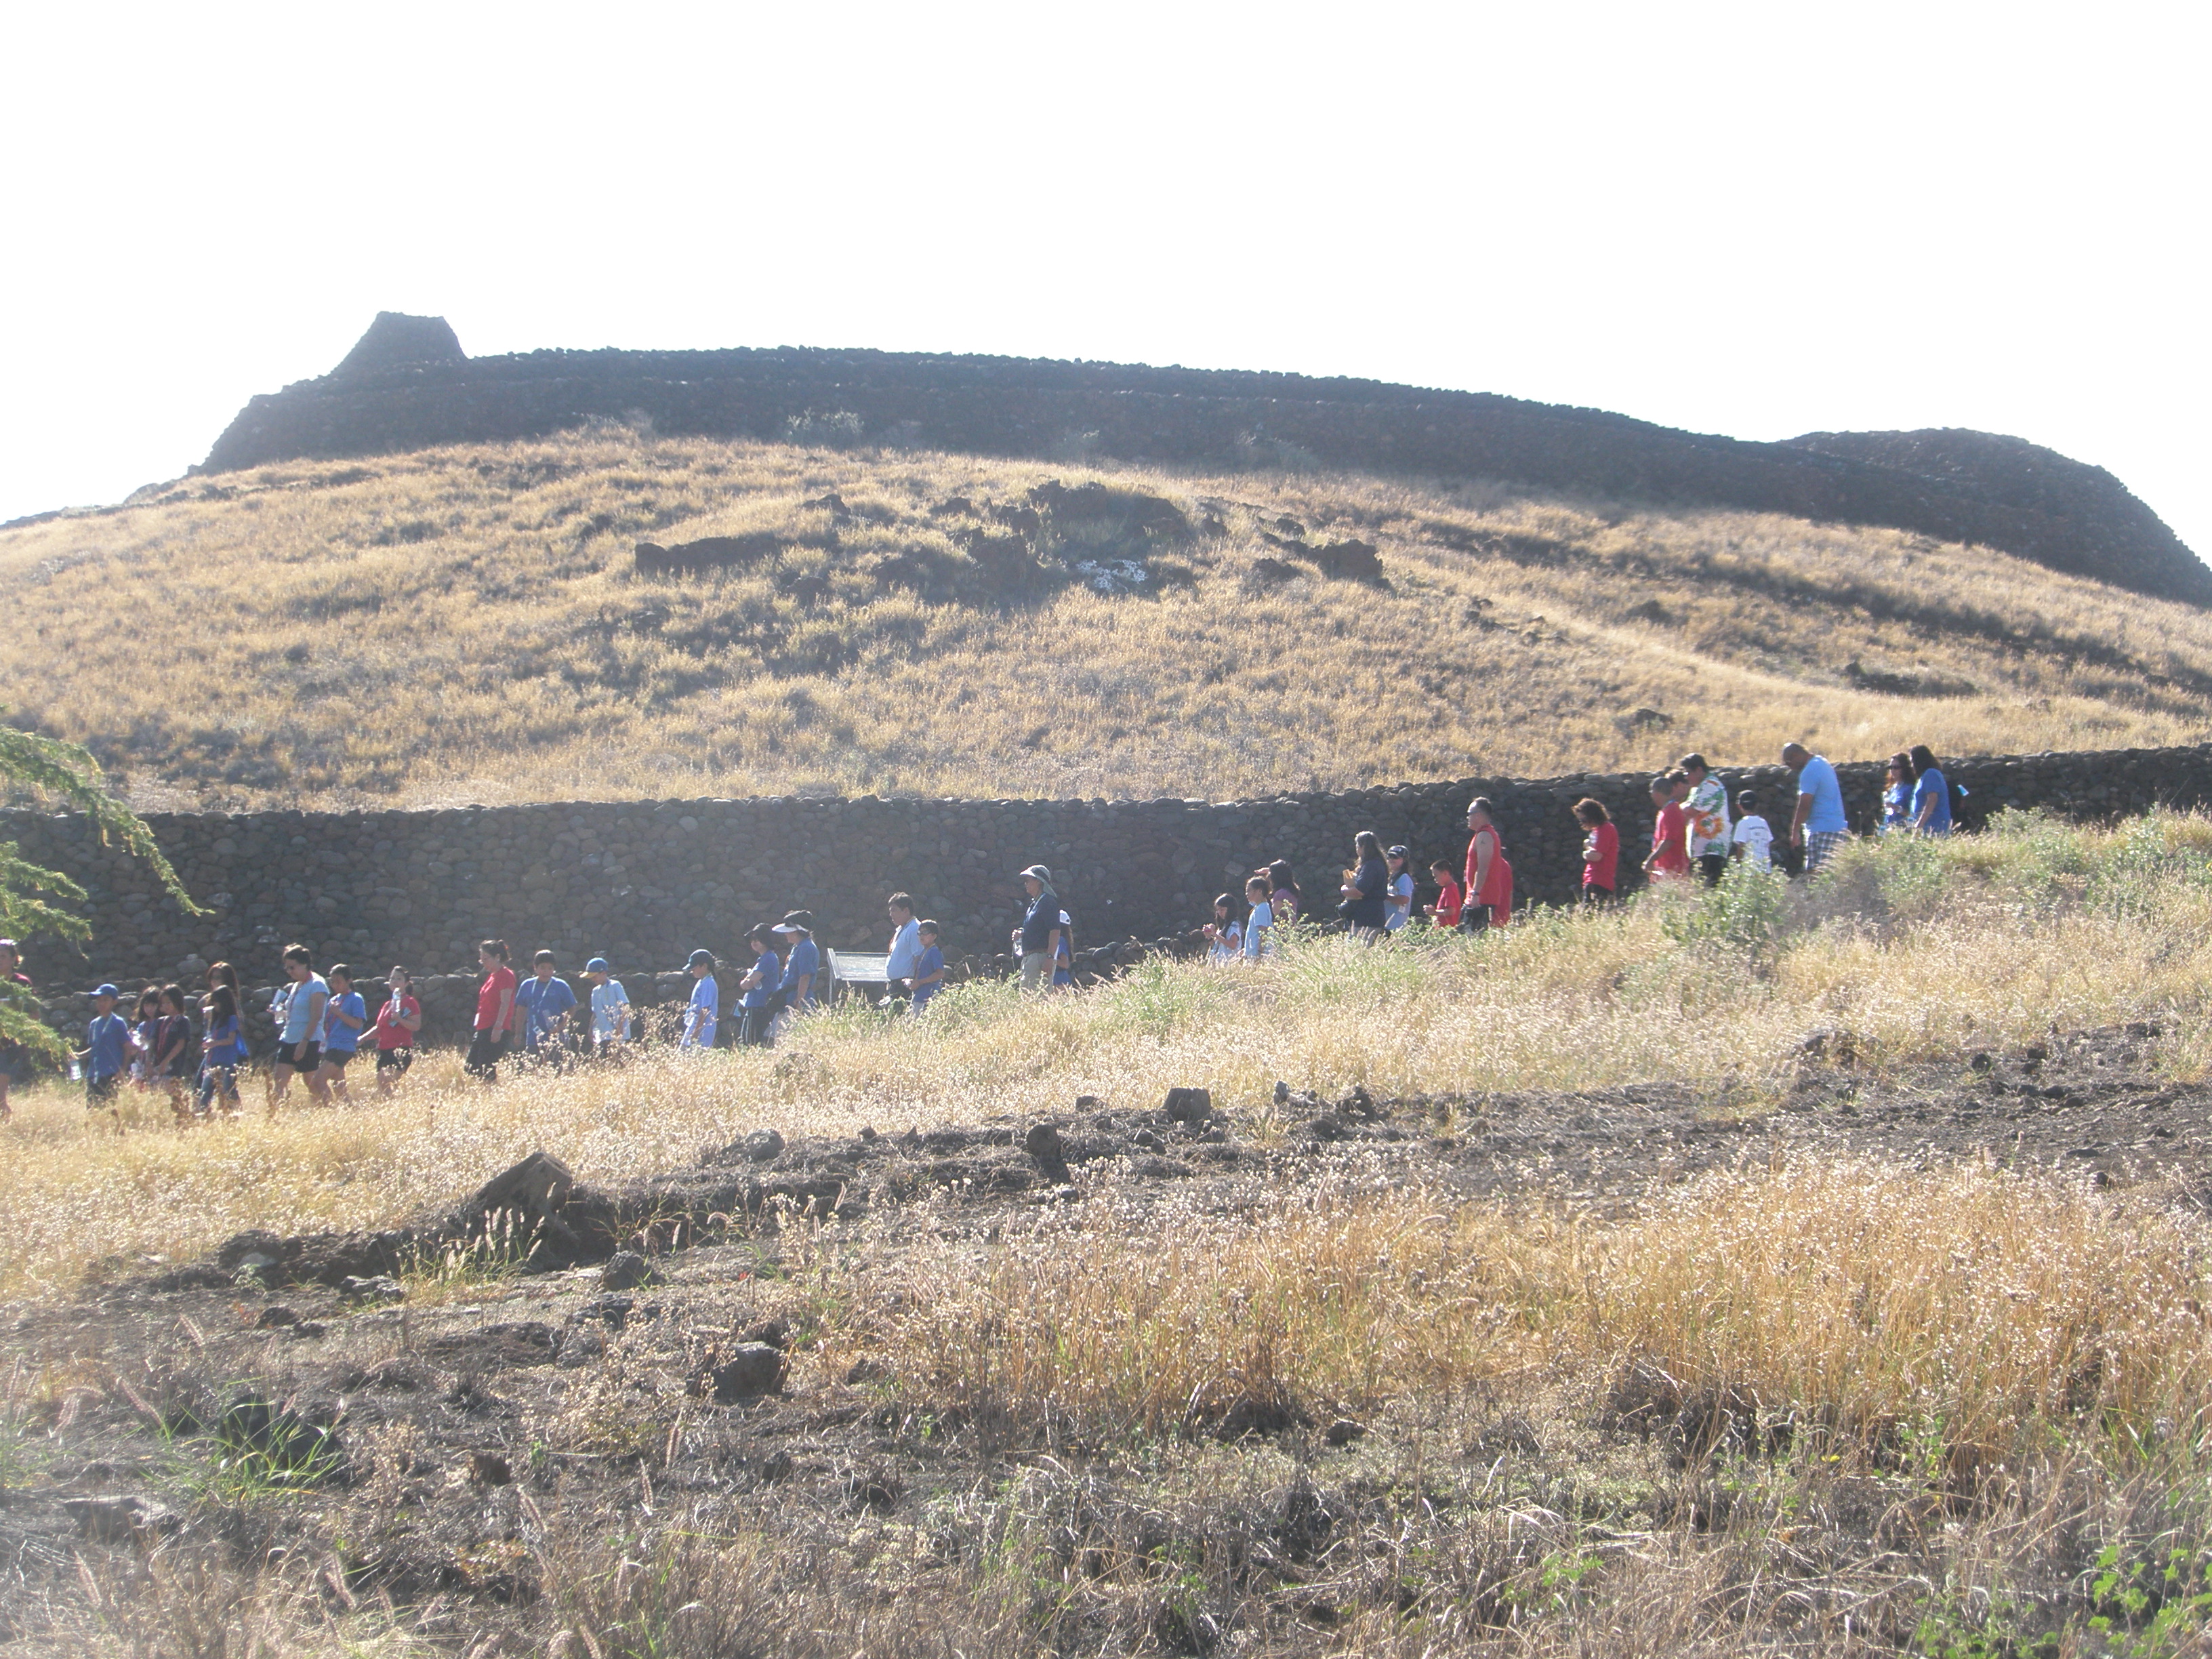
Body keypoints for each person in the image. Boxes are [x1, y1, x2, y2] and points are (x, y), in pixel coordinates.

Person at [271, 945, 330, 1108]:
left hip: (309, 1039)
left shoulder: (317, 985)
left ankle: (327, 1110)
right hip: (289, 1037)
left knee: (311, 1081)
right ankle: (275, 1115)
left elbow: (316, 1016)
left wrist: (303, 1043)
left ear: (304, 964)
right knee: (279, 1079)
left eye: (292, 967)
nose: (289, 971)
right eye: (287, 968)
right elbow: (295, 1013)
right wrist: (279, 1013)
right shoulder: (297, 986)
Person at [1782, 743, 1849, 874]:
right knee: (1832, 876)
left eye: (1789, 763)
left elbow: (1804, 805)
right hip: (1836, 828)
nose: (1791, 768)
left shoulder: (1810, 771)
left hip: (1822, 830)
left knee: (1818, 877)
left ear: (1796, 756)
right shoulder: (1822, 762)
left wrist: (1795, 832)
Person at [515, 950, 579, 1069]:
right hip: (533, 1037)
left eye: (550, 968)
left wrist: (560, 1026)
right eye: (542, 968)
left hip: (556, 1037)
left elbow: (572, 1008)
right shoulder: (527, 985)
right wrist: (517, 1033)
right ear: (535, 968)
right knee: (531, 1070)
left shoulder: (561, 985)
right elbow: (521, 1009)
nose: (546, 972)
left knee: (559, 1071)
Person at [77, 984, 131, 1121]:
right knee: (92, 1111)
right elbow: (95, 1048)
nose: (101, 1003)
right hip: (94, 1073)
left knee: (111, 1109)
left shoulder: (118, 1023)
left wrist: (122, 1070)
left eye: (105, 1000)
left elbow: (127, 1047)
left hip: (111, 1073)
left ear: (114, 1002)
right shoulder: (94, 1024)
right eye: (99, 1000)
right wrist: (78, 1055)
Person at [467, 939, 517, 1081]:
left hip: (494, 1027)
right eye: (481, 959)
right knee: (471, 1066)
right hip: (483, 1025)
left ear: (497, 957)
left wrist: (498, 1027)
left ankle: (489, 1092)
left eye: (486, 959)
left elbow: (505, 1002)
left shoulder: (506, 975)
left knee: (486, 1067)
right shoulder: (492, 976)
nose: (483, 962)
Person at [315, 964, 366, 1102]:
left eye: (338, 981)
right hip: (331, 1045)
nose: (334, 985)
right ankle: (349, 1111)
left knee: (318, 1081)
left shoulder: (356, 999)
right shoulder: (333, 1000)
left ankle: (329, 1110)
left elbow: (357, 1024)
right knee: (340, 1088)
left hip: (343, 1047)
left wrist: (339, 1013)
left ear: (349, 981)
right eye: (332, 981)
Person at [1681, 754, 1734, 887]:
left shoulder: (1710, 785)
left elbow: (1691, 811)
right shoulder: (1697, 789)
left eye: (1688, 772)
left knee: (1711, 889)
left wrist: (1683, 807)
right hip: (1701, 851)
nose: (1686, 777)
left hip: (1711, 849)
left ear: (1699, 770)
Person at [1461, 800, 1513, 930]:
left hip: (1482, 898)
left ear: (1478, 815)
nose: (1468, 818)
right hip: (1478, 898)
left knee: (1472, 937)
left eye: (1470, 814)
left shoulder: (1485, 835)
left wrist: (1475, 893)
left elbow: (1484, 867)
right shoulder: (1482, 834)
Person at [148, 985, 197, 1123]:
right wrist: (149, 1062)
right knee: (156, 1096)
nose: (166, 1006)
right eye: (163, 1003)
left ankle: (184, 1120)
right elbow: (152, 1042)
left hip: (173, 1066)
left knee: (174, 1095)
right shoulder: (160, 1022)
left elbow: (180, 1044)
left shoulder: (182, 1021)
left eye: (169, 1002)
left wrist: (166, 1062)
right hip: (157, 1065)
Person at [373, 967, 422, 1094]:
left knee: (386, 1081)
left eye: (399, 979)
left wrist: (400, 1019)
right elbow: (379, 1028)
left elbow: (416, 1026)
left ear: (406, 983)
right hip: (384, 1049)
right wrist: (361, 1039)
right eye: (392, 978)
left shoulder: (410, 1002)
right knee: (383, 1087)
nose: (395, 982)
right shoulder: (388, 1005)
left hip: (400, 1049)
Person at [199, 983, 246, 1114]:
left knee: (228, 1089)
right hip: (212, 1060)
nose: (215, 1005)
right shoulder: (215, 1020)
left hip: (226, 1060)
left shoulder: (231, 1019)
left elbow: (231, 1040)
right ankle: (204, 1115)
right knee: (206, 1092)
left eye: (217, 1002)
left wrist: (215, 1043)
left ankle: (235, 1113)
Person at [773, 912, 820, 1040]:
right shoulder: (798, 947)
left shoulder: (806, 948)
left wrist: (799, 1001)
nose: (785, 934)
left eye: (788, 931)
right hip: (787, 1000)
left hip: (796, 1002)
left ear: (798, 931)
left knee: (790, 1040)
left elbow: (805, 977)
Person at [0, 939, 34, 1120]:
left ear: (14, 959)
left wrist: (26, 1039)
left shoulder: (21, 983)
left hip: (11, 1044)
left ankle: (6, 1125)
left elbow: (33, 1012)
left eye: (3, 956)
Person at [735, 924, 782, 1046]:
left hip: (760, 1006)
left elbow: (749, 983)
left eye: (757, 939)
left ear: (765, 939)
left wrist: (746, 980)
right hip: (755, 1005)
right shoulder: (763, 959)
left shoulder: (768, 958)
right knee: (746, 1041)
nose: (754, 942)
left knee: (750, 1043)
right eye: (752, 939)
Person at [1017, 866, 1063, 989]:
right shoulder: (1034, 904)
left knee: (1038, 999)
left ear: (1038, 881)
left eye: (1028, 880)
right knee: (1027, 1000)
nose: (1025, 884)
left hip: (1040, 958)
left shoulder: (1047, 902)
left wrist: (1049, 957)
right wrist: (1021, 934)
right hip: (1029, 958)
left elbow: (1055, 930)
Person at [1338, 832, 1389, 937]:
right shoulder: (1379, 863)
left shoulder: (1370, 866)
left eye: (1357, 846)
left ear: (1363, 847)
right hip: (1374, 917)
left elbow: (1359, 891)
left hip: (1365, 919)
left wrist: (1344, 890)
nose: (1356, 849)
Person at [1644, 773, 1692, 882]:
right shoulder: (1666, 810)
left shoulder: (1672, 811)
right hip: (1665, 870)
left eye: (1652, 793)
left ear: (1657, 792)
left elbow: (1669, 840)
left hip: (1672, 870)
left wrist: (1650, 860)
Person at [1573, 799, 1618, 903]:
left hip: (1599, 879)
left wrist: (1586, 853)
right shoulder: (1597, 831)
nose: (1582, 824)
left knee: (1589, 913)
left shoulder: (1605, 829)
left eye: (1583, 820)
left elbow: (1597, 856)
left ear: (1592, 816)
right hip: (1593, 878)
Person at [583, 958, 632, 1056]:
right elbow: (595, 1012)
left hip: (618, 1031)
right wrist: (590, 1029)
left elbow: (625, 1006)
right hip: (602, 1032)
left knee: (619, 1057)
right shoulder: (595, 991)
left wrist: (620, 1027)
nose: (593, 979)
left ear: (603, 973)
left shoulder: (615, 986)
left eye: (595, 976)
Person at [884, 893, 922, 1004]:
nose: (891, 915)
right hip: (895, 984)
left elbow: (918, 957)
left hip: (906, 985)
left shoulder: (915, 929)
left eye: (894, 910)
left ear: (906, 911)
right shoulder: (902, 929)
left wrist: (915, 983)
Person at [1908, 744, 1954, 836]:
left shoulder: (1931, 774)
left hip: (1934, 827)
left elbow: (1932, 799)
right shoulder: (1923, 777)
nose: (1912, 766)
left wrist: (1920, 823)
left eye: (1912, 762)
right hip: (1926, 828)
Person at [680, 948, 720, 1050]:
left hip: (702, 1033)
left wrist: (696, 1033)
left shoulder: (708, 983)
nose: (692, 971)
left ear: (705, 966)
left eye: (694, 968)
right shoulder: (702, 981)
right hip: (693, 1028)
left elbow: (705, 1009)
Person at [909, 921, 948, 1011]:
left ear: (934, 936)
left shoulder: (934, 952)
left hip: (929, 996)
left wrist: (919, 982)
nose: (921, 936)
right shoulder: (924, 951)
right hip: (919, 995)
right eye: (919, 933)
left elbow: (940, 974)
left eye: (925, 933)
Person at [1731, 790, 1774, 868]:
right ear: (1757, 805)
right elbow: (1767, 843)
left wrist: (1738, 865)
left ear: (1739, 806)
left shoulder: (1743, 823)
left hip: (1749, 868)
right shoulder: (1763, 822)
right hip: (1764, 867)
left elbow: (1742, 846)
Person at [129, 987, 162, 1090]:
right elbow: (136, 1049)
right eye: (146, 1005)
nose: (149, 1009)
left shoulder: (161, 1023)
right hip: (142, 1064)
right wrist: (132, 1039)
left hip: (156, 1063)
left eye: (153, 1005)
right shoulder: (142, 1026)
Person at [1383, 846, 1416, 933]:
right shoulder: (1391, 877)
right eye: (1390, 856)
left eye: (1396, 857)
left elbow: (1404, 899)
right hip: (1386, 924)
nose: (1392, 859)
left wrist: (1384, 896)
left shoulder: (1404, 878)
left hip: (1396, 927)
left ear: (1404, 860)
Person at [1242, 874, 1275, 959]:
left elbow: (1263, 932)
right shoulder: (1259, 908)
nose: (1247, 894)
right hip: (1252, 953)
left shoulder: (1262, 909)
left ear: (1259, 891)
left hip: (1257, 955)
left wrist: (1260, 953)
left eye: (1249, 890)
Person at [1204, 895, 1244, 964]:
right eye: (1218, 910)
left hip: (1228, 965)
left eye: (1222, 910)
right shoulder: (1224, 925)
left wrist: (1215, 934)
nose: (1220, 913)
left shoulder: (1234, 925)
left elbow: (1233, 945)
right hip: (1219, 965)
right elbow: (1217, 947)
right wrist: (1209, 937)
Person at [1881, 753, 1913, 834]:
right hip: (1890, 829)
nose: (1892, 771)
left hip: (1903, 831)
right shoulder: (1893, 788)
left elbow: (1913, 814)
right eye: (1890, 767)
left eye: (1896, 767)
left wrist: (1896, 808)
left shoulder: (1909, 788)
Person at [1425, 860, 1462, 928]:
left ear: (1445, 873)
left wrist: (1435, 912)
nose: (1435, 879)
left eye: (1436, 876)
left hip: (1447, 930)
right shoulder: (1449, 888)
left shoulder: (1450, 889)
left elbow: (1451, 911)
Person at [1266, 862, 1301, 926]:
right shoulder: (1290, 891)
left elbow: (1274, 914)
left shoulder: (1280, 894)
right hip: (1291, 928)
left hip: (1281, 931)